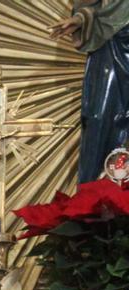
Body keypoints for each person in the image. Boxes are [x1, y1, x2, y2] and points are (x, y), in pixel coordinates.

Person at [50, 1, 129, 182]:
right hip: (109, 48)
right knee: (98, 117)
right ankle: (95, 195)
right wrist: (80, 19)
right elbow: (100, 8)